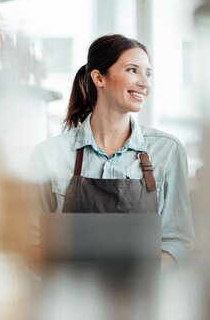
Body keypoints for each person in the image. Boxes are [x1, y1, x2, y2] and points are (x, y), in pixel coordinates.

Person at [28, 34, 195, 269]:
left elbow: (177, 242)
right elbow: (30, 241)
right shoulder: (49, 155)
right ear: (98, 77)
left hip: (139, 300)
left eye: (147, 73)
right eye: (132, 70)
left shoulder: (167, 150)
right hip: (71, 299)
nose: (144, 84)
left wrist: (134, 280)